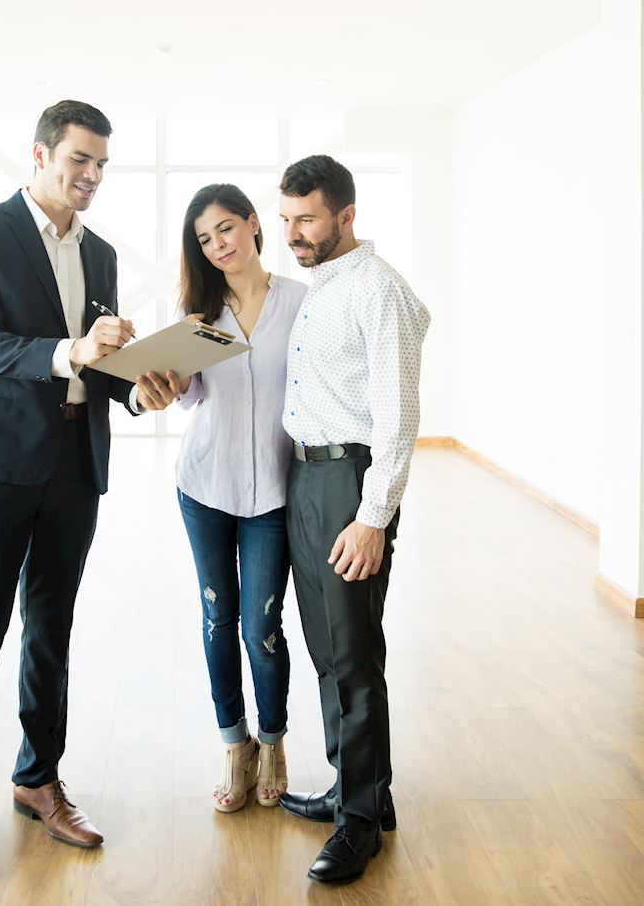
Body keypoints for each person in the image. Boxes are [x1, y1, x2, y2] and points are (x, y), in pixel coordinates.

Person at [0, 101, 181, 882]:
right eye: (80, 159)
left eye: (102, 164)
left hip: (74, 465)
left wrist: (141, 391)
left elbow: (97, 368)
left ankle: (39, 778)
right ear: (39, 154)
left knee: (51, 629)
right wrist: (75, 347)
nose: (92, 175)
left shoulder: (98, 253)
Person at [273, 155, 430, 885]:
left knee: (354, 652)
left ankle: (359, 822)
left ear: (346, 215)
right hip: (306, 473)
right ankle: (358, 788)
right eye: (286, 220)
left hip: (350, 481)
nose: (293, 233)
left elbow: (399, 416)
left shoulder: (379, 291)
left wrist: (373, 516)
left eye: (306, 219)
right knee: (328, 648)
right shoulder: (319, 287)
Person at [171, 184, 307, 813]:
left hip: (276, 491)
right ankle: (236, 744)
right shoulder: (199, 315)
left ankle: (274, 740)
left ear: (254, 225)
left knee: (262, 625)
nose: (218, 246)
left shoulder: (302, 304)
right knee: (217, 619)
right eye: (204, 239)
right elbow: (188, 396)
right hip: (205, 485)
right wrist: (169, 375)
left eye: (226, 229)